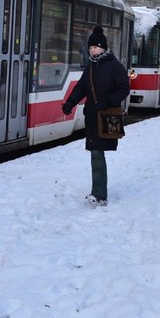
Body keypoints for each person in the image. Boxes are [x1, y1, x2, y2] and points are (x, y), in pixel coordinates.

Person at [61, 26, 130, 207]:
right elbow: (80, 88)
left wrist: (107, 101)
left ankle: (99, 195)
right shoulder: (91, 68)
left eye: (95, 47)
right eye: (90, 48)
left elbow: (124, 89)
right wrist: (69, 103)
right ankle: (97, 192)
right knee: (95, 152)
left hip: (105, 116)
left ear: (103, 48)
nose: (92, 50)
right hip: (92, 117)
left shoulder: (114, 66)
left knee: (97, 153)